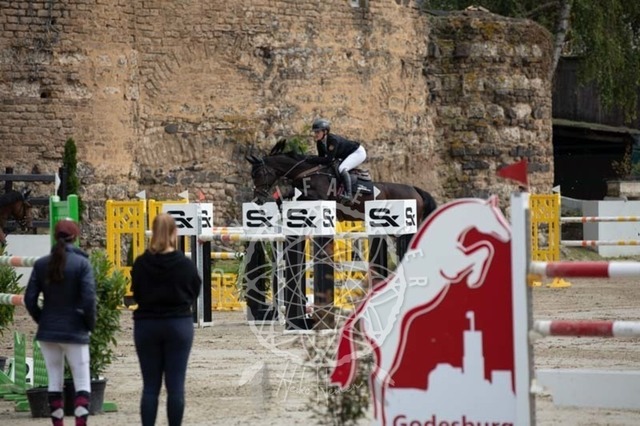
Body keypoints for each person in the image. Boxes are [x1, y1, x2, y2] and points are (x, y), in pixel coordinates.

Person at [130, 213, 202, 426]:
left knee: (150, 387)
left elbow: (136, 294)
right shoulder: (184, 264)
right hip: (178, 324)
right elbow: (195, 290)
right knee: (175, 386)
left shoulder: (141, 263)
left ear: (153, 232)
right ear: (173, 233)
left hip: (147, 324)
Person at [24, 219, 96, 426]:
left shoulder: (41, 264)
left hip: (48, 330)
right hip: (75, 329)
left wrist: (42, 319)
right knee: (82, 382)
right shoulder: (82, 264)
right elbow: (89, 300)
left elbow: (29, 299)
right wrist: (89, 324)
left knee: (54, 381)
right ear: (75, 237)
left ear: (55, 236)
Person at [312, 118, 367, 203]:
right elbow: (321, 158)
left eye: (318, 132)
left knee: (342, 168)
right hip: (346, 154)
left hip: (357, 152)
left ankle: (349, 195)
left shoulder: (333, 140)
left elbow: (328, 159)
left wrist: (312, 158)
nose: (315, 134)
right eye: (315, 132)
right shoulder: (320, 143)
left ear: (325, 132)